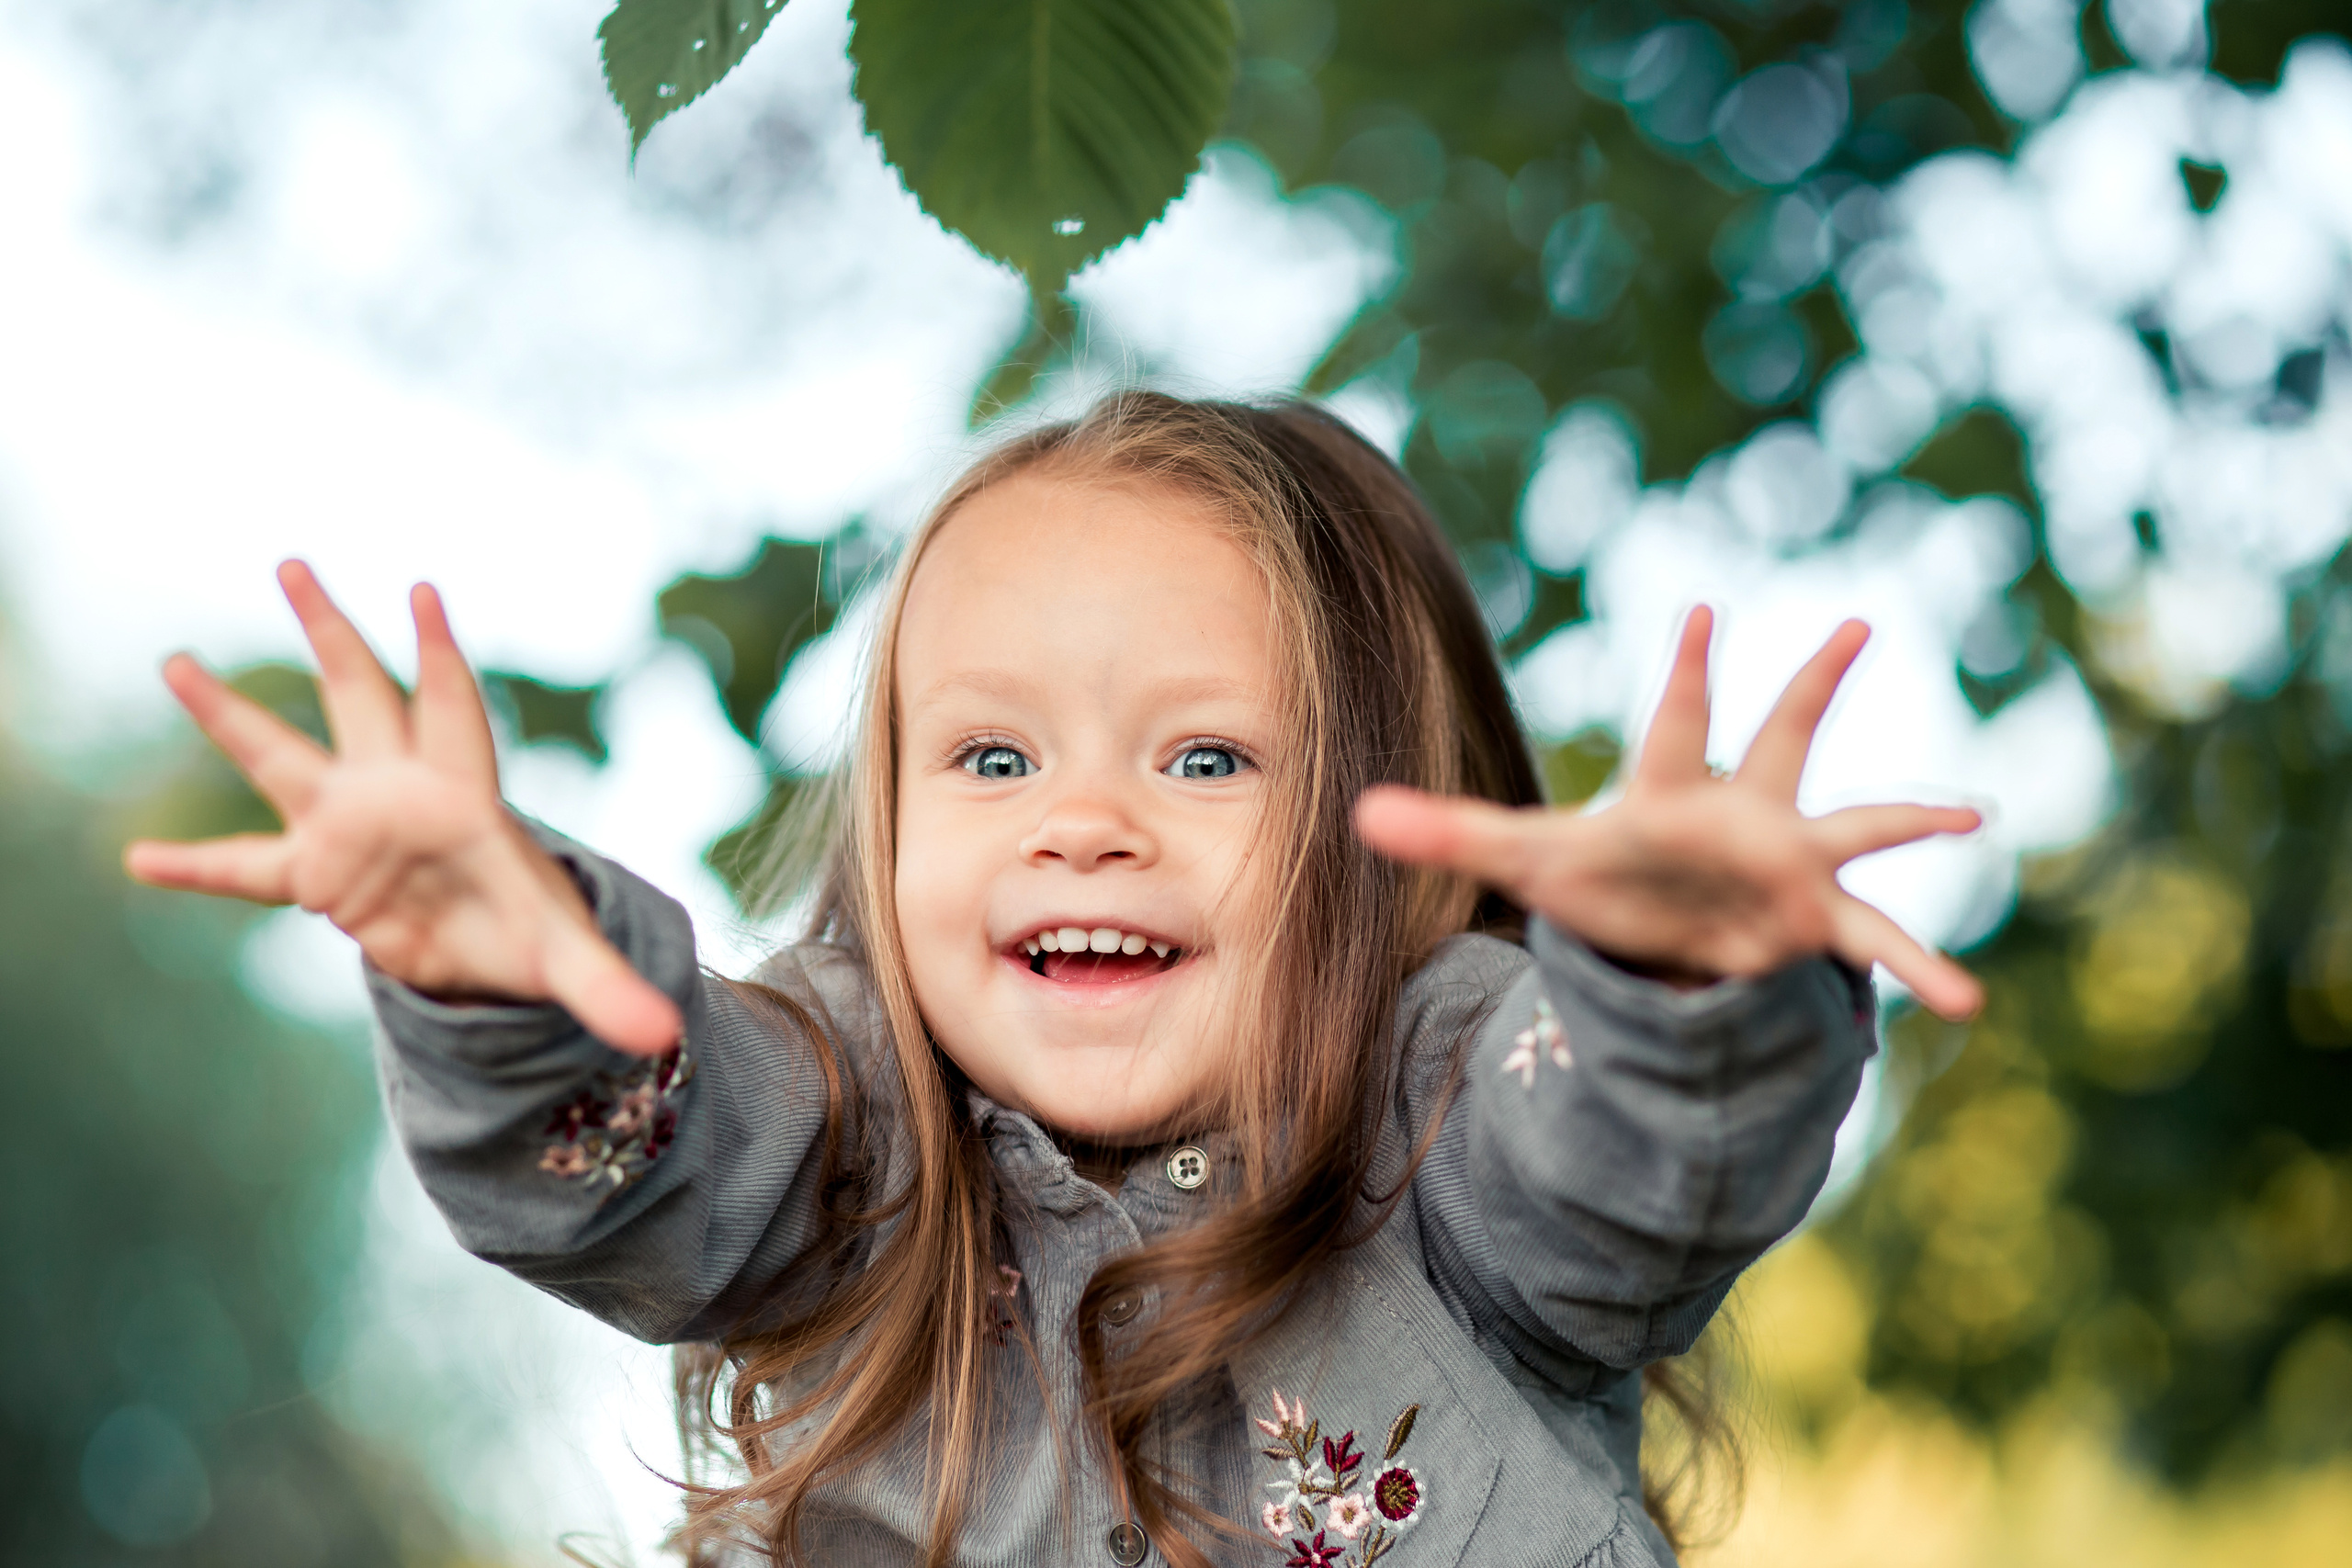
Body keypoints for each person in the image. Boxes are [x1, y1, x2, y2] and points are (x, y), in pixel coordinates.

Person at [124, 393, 1982, 1568]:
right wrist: (492, 973)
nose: (1080, 823)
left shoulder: (1449, 1136)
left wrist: (1678, 976)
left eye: (1201, 758)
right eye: (994, 760)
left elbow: (1615, 1158)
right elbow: (644, 1145)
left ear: (1390, 842)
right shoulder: (842, 1133)